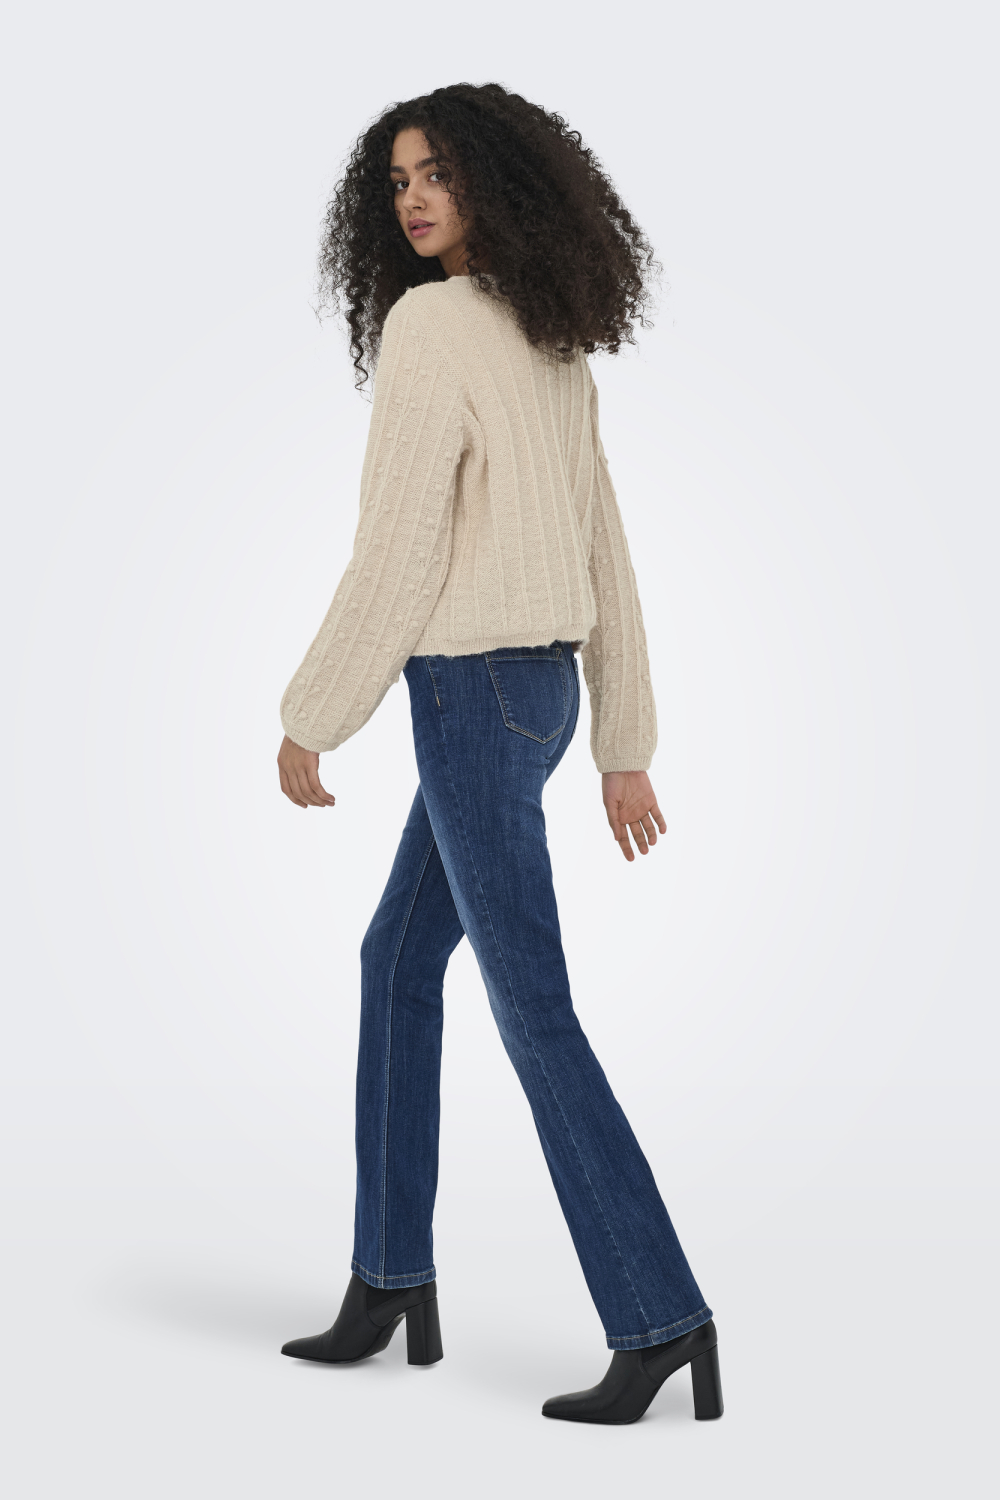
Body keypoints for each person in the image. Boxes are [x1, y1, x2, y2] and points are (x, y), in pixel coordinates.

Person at [275, 83, 722, 1426]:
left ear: (498, 184)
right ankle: (389, 1280)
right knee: (397, 960)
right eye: (398, 179)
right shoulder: (551, 333)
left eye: (439, 174)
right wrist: (620, 741)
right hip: (541, 699)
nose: (414, 198)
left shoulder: (432, 327)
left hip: (471, 697)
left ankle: (661, 1316)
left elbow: (400, 547)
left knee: (532, 1008)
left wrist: (314, 711)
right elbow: (605, 552)